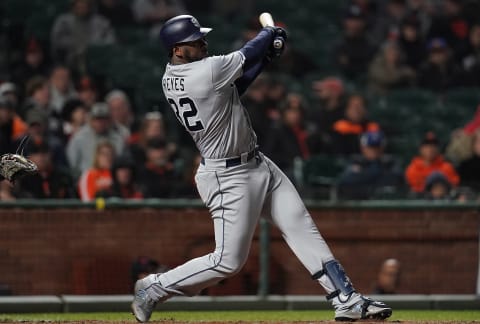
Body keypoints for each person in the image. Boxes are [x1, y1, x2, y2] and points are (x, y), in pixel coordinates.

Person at [131, 14, 392, 322]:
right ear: (177, 48)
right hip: (227, 177)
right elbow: (247, 53)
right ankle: (153, 287)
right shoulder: (205, 71)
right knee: (228, 261)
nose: (203, 43)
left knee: (300, 226)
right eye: (195, 41)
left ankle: (345, 298)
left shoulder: (177, 75)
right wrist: (270, 34)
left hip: (256, 163)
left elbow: (234, 86)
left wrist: (266, 56)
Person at [50, 0, 116, 72]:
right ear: (73, 7)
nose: (82, 9)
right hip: (70, 58)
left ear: (90, 7)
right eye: (78, 7)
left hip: (96, 58)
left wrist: (93, 46)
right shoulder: (63, 21)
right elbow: (57, 40)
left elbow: (111, 40)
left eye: (84, 7)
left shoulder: (101, 21)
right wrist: (77, 44)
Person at [337, 131, 404, 200]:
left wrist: (363, 175)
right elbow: (345, 182)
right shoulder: (355, 161)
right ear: (362, 148)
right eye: (370, 147)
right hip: (358, 203)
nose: (374, 151)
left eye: (377, 147)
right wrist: (378, 175)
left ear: (382, 148)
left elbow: (396, 179)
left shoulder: (390, 162)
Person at [66, 102, 129, 176]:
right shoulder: (79, 138)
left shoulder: (118, 139)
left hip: (111, 178)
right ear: (90, 120)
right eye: (97, 119)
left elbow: (122, 163)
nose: (100, 123)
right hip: (85, 178)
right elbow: (72, 164)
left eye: (103, 119)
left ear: (109, 120)